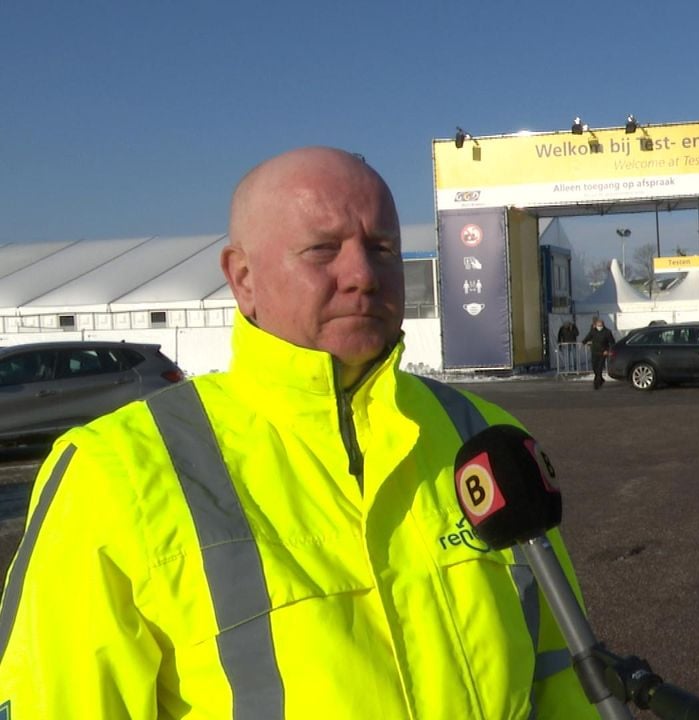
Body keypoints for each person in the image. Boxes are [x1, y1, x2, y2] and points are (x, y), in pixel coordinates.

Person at [0, 147, 596, 718]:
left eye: (383, 248)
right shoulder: (115, 474)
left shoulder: (485, 438)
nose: (363, 274)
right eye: (322, 250)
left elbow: (566, 674)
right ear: (243, 278)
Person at [582, 316, 615, 390]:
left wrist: (607, 350)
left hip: (603, 352)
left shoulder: (607, 332)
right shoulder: (593, 331)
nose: (599, 327)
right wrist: (583, 342)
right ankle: (601, 379)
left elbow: (612, 342)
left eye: (600, 325)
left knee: (599, 368)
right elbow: (588, 337)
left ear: (603, 325)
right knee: (594, 368)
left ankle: (596, 384)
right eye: (598, 325)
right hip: (594, 351)